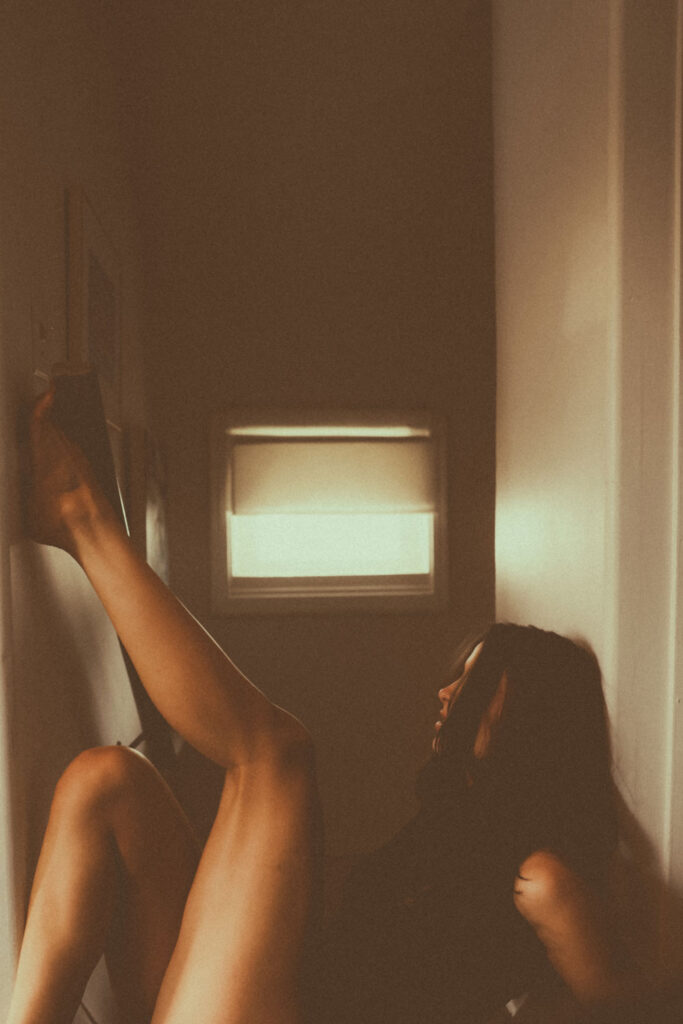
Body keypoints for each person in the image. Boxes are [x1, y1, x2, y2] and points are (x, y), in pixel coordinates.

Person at [8, 386, 632, 1024]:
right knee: (109, 778)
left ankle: (82, 517)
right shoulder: (457, 829)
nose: (447, 693)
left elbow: (620, 1007)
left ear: (534, 715)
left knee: (277, 754)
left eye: (476, 681)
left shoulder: (544, 877)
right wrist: (235, 866)